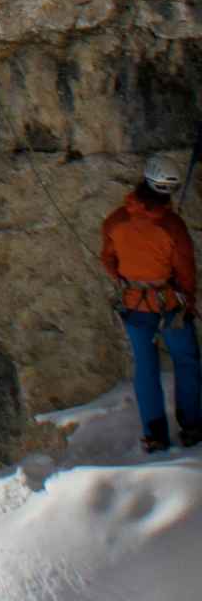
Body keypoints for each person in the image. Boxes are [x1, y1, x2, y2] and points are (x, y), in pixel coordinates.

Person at [100, 151, 201, 452]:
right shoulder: (172, 226)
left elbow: (108, 259)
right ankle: (193, 425)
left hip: (134, 303)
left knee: (145, 365)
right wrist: (189, 299)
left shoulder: (115, 221)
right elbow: (185, 270)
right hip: (170, 304)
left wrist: (126, 279)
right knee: (186, 360)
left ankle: (155, 434)